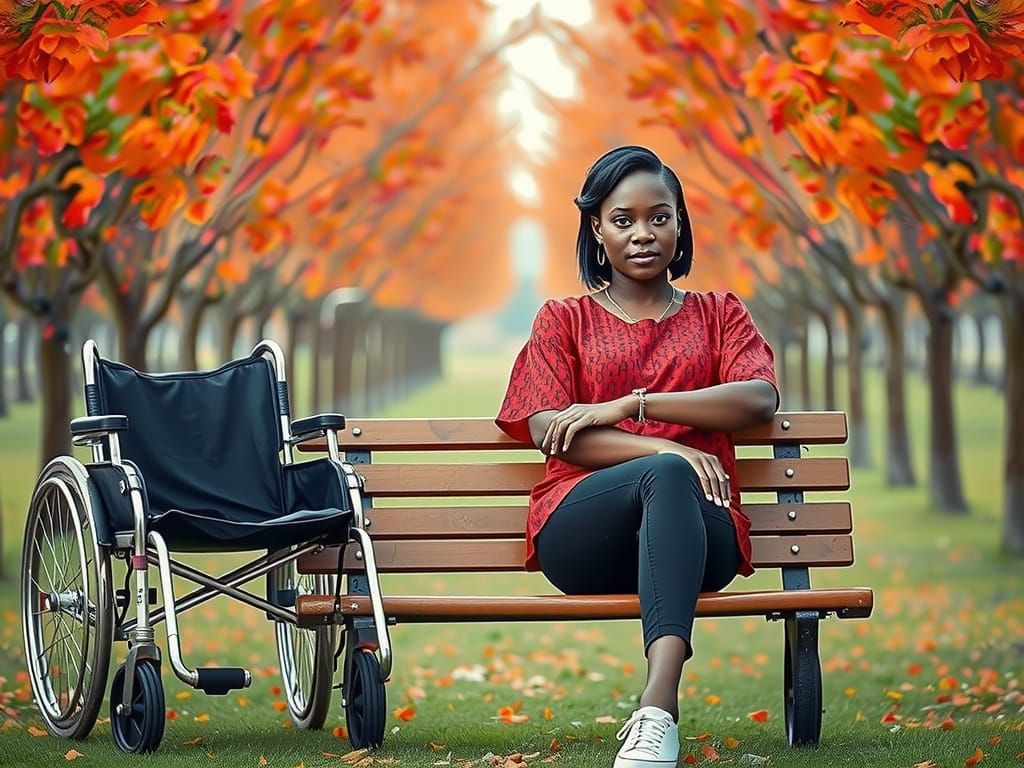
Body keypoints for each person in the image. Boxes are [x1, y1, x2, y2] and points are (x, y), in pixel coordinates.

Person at [495, 146, 780, 768]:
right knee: (668, 469)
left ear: (680, 225)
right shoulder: (563, 320)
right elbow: (548, 425)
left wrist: (632, 405)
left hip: (701, 535)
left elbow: (758, 397)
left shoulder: (719, 314)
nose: (643, 233)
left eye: (659, 217)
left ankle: (656, 710)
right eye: (623, 220)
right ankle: (660, 710)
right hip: (584, 533)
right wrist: (659, 448)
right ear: (597, 230)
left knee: (671, 476)